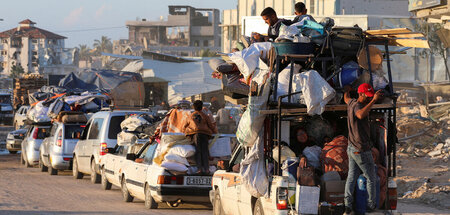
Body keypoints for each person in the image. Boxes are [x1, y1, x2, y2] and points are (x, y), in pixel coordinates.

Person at [343, 83, 383, 214]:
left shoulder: (351, 102)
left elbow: (345, 97)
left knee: (352, 177)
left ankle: (347, 206)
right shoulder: (359, 106)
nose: (368, 98)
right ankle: (371, 206)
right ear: (361, 94)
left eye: (370, 96)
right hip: (361, 149)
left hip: (351, 148)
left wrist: (348, 90)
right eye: (367, 96)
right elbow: (360, 115)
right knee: (371, 177)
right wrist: (373, 101)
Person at [183, 100, 218, 175]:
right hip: (205, 134)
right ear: (201, 107)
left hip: (195, 134)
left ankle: (199, 169)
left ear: (194, 107)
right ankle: (207, 169)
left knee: (198, 151)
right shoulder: (205, 116)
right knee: (205, 152)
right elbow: (211, 126)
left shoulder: (190, 116)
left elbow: (184, 126)